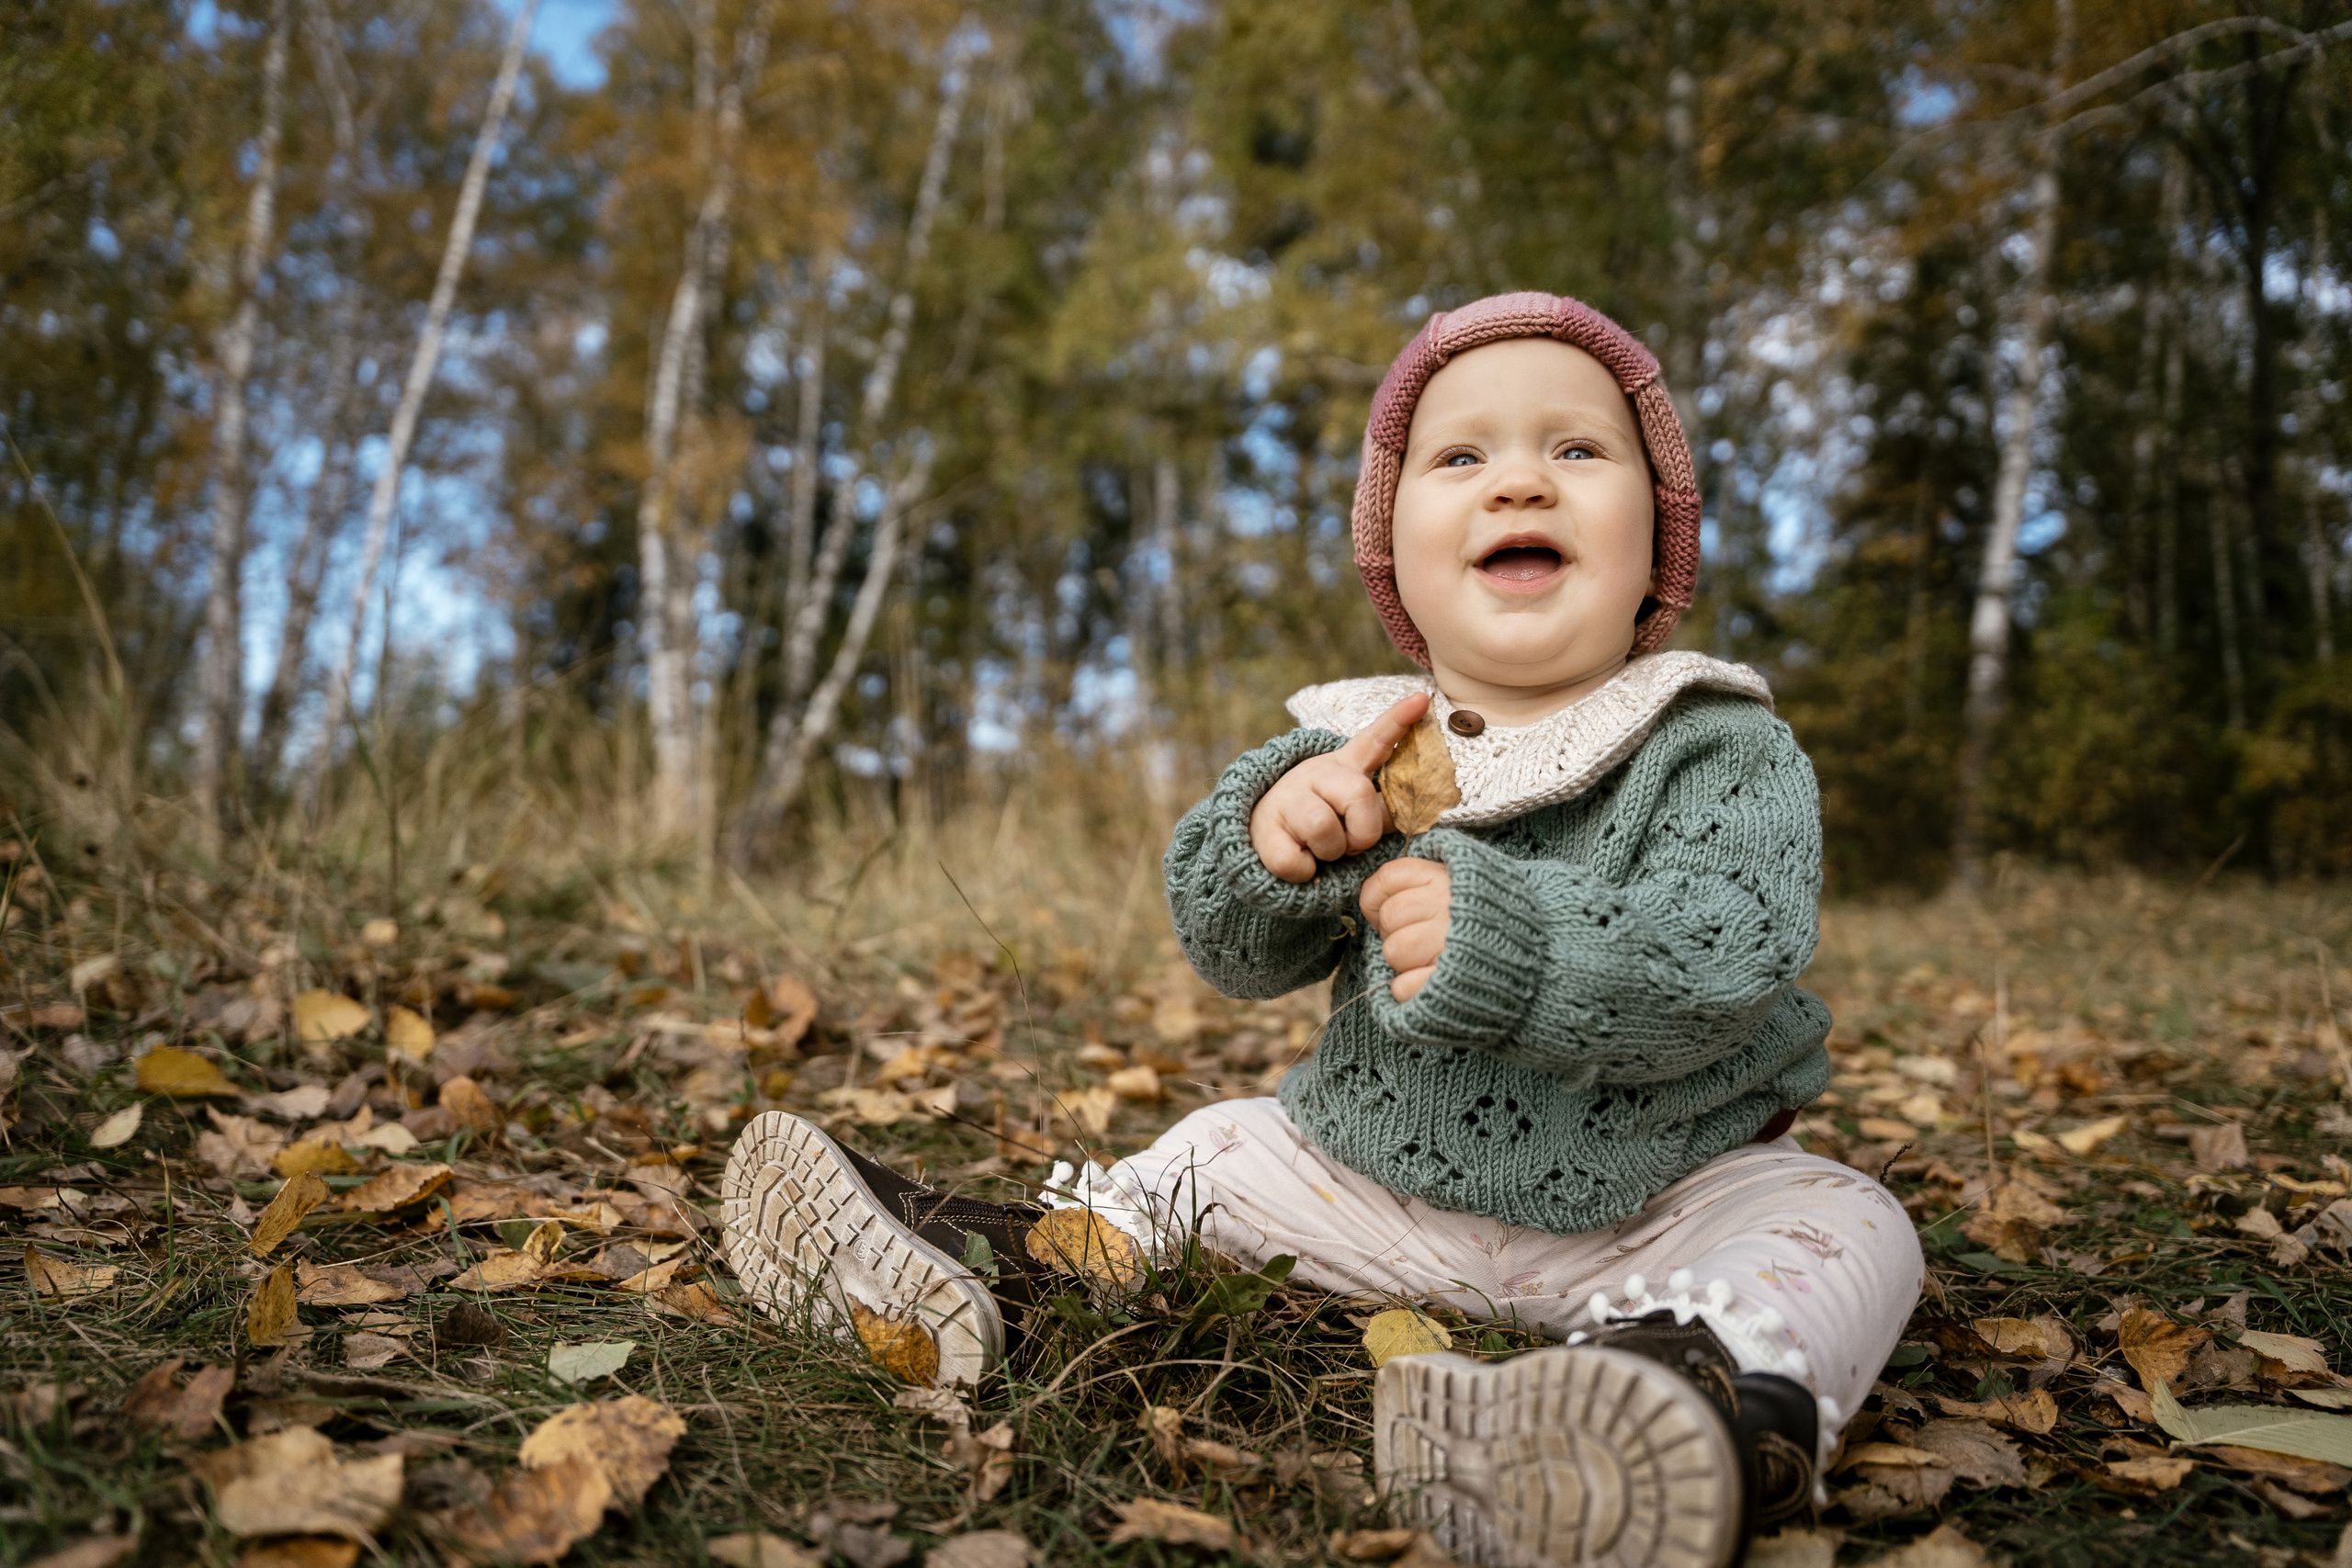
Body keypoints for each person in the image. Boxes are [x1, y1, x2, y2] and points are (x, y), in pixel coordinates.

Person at [721, 291, 1924, 1568]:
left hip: (1663, 1203)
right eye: (1460, 457)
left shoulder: (1721, 747)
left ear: (1658, 543)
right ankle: (996, 1266)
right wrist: (1268, 851)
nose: (1520, 480)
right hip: (1367, 1184)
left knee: (1849, 1227)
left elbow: (1730, 951)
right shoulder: (1355, 745)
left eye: (1578, 450)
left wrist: (1516, 944)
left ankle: (1678, 1392)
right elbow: (1230, 956)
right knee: (1221, 1148)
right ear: (1394, 554)